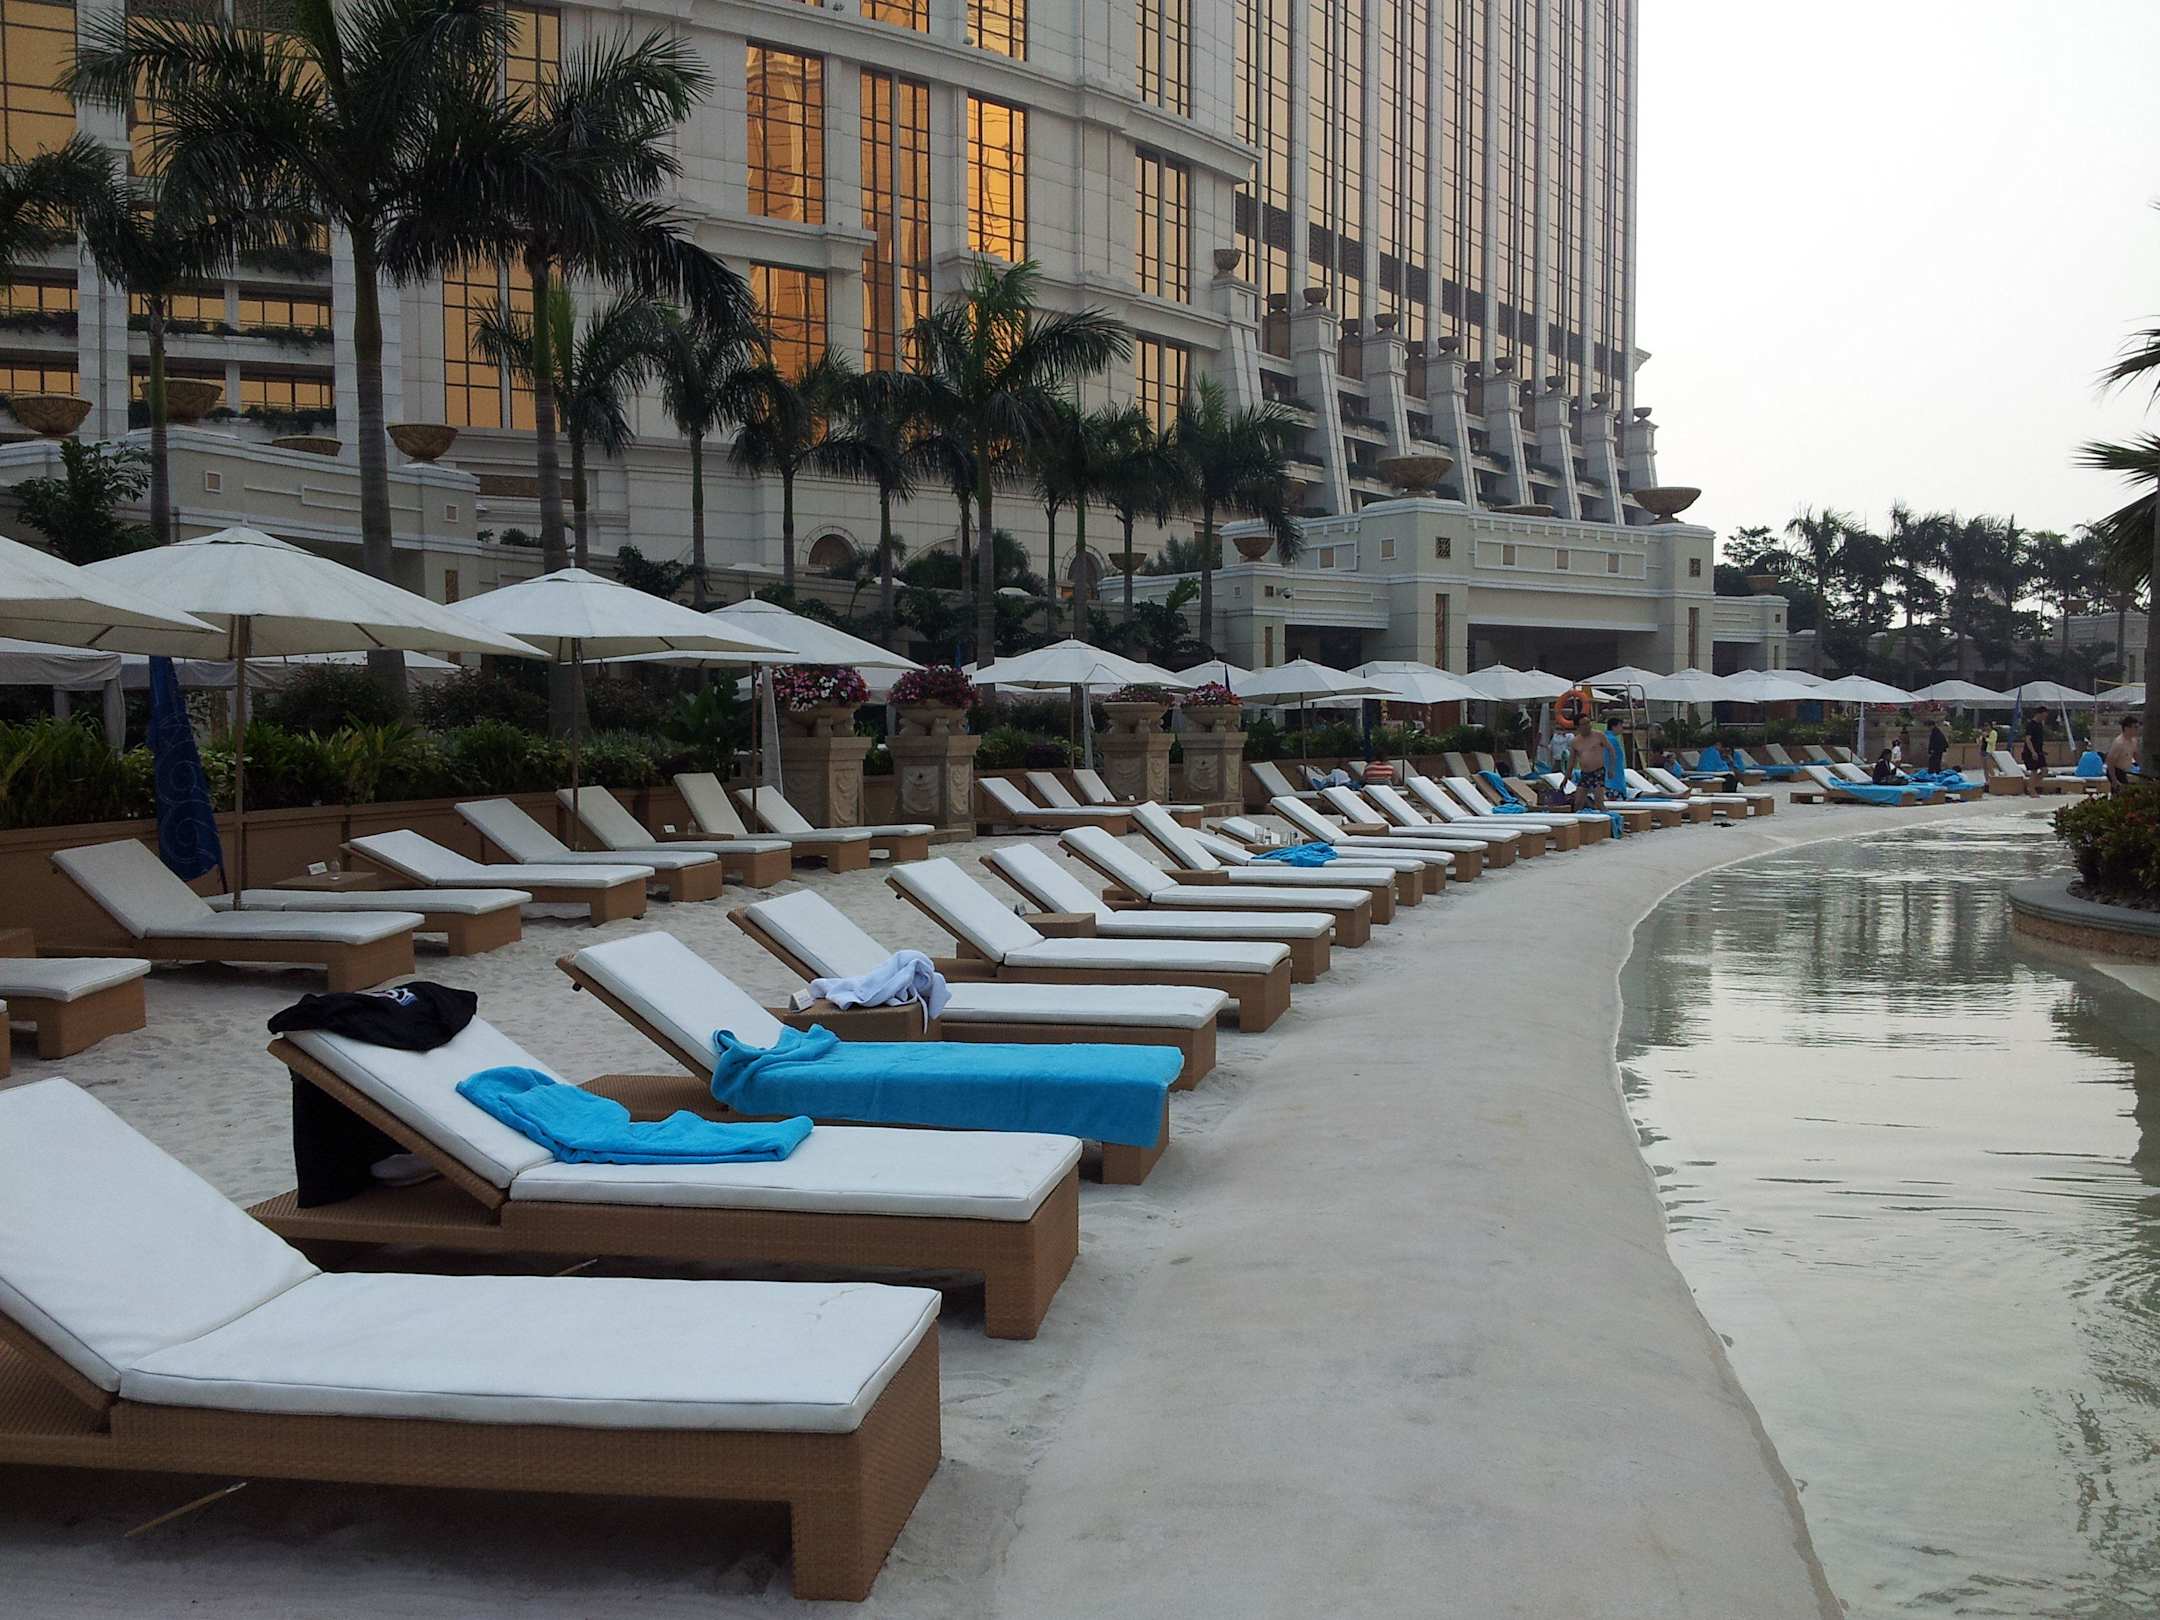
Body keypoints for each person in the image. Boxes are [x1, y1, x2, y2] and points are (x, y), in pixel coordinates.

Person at [2106, 715, 2142, 794]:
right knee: (2120, 793)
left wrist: (2142, 768)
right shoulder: (2119, 743)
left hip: (2124, 771)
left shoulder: (2134, 741)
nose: (2137, 730)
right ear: (2127, 728)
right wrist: (2114, 780)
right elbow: (2110, 762)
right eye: (2135, 727)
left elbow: (2136, 755)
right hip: (2115, 771)